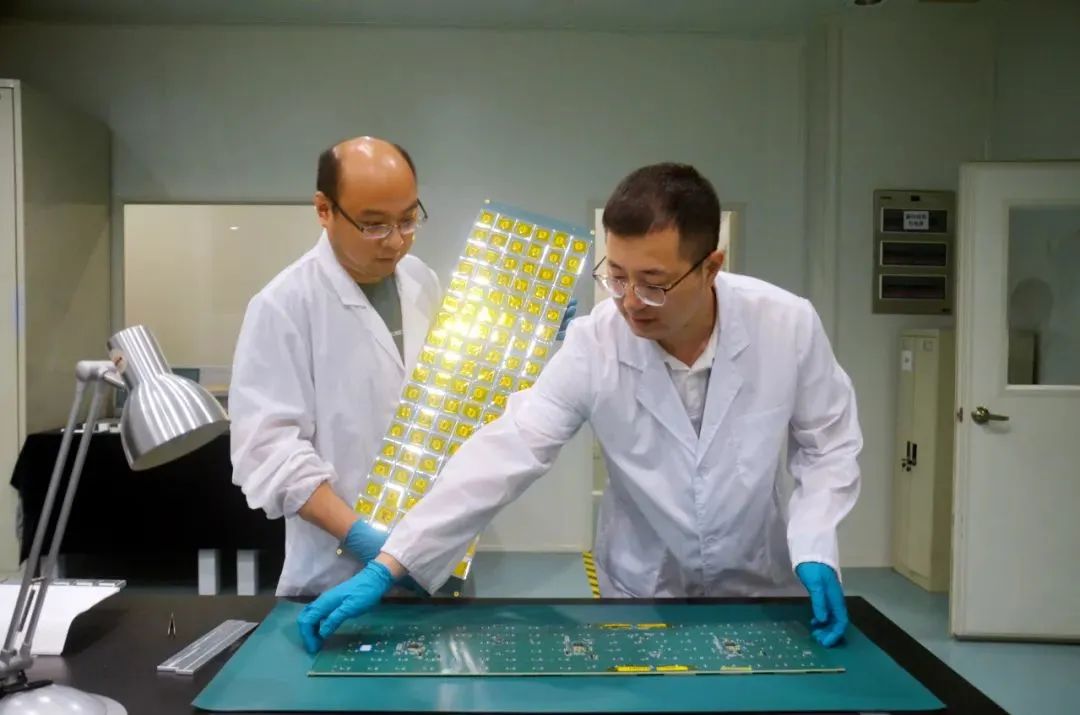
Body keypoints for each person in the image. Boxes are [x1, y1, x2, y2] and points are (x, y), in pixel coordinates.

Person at [297, 163, 862, 653]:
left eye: (653, 284)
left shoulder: (786, 325)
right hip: (643, 591)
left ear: (712, 267)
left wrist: (815, 542)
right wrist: (394, 561)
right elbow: (508, 450)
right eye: (616, 276)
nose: (630, 302)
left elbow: (827, 446)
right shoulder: (597, 343)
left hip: (760, 586)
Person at [230, 136, 577, 605]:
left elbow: (453, 395)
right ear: (324, 210)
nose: (396, 241)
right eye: (374, 225)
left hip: (436, 560)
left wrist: (524, 337)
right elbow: (267, 451)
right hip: (336, 573)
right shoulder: (284, 306)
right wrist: (360, 536)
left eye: (408, 219)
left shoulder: (420, 280)